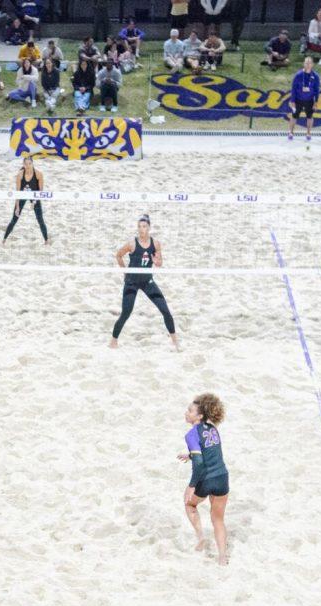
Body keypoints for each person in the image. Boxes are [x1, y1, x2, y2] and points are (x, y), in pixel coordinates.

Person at [110, 214, 178, 351]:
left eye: (144, 226)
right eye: (140, 226)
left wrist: (155, 261)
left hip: (147, 281)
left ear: (149, 228)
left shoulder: (156, 244)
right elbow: (118, 255)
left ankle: (175, 342)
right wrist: (125, 272)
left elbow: (159, 263)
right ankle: (113, 341)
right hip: (132, 282)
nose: (142, 229)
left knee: (165, 310)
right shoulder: (132, 244)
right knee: (126, 313)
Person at [178, 393, 230, 565]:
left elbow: (200, 462)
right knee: (218, 520)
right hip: (222, 476)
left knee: (190, 504)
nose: (186, 413)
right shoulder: (213, 429)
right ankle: (222, 557)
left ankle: (201, 537)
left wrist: (192, 486)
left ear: (199, 416)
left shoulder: (191, 434)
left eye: (190, 411)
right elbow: (210, 453)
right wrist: (191, 455)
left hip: (206, 478)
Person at [2, 156, 49, 245]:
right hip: (22, 195)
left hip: (35, 196)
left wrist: (34, 202)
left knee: (40, 219)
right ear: (23, 164)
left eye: (29, 164)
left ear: (32, 163)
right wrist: (17, 206)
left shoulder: (38, 174)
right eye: (26, 164)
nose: (28, 166)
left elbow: (40, 192)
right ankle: (4, 240)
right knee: (14, 219)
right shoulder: (20, 174)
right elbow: (18, 193)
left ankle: (46, 241)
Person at [287, 57, 319, 142]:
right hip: (298, 99)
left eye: (309, 63)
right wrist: (292, 101)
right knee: (294, 116)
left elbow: (317, 90)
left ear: (312, 65)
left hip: (309, 100)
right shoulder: (298, 75)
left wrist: (316, 102)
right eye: (306, 63)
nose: (308, 65)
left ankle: (308, 133)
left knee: (310, 117)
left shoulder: (315, 76)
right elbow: (293, 88)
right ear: (303, 64)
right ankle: (290, 132)